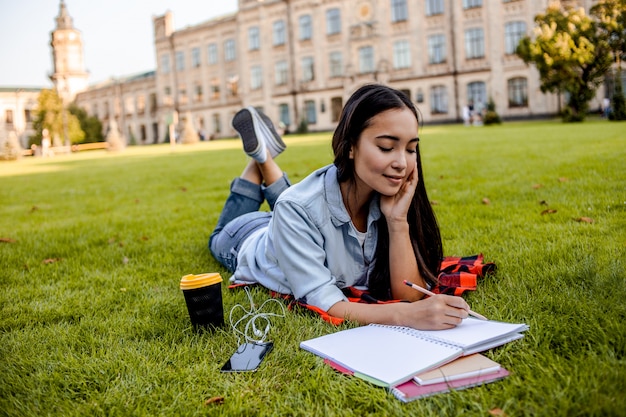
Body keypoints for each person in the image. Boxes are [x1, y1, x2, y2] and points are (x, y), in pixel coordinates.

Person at [209, 84, 470, 330]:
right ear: (350, 147)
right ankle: (262, 158)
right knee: (218, 236)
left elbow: (409, 294)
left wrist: (397, 221)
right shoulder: (295, 208)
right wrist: (404, 316)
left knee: (296, 203)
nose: (402, 162)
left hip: (294, 220)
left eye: (411, 149)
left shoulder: (389, 196)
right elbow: (326, 303)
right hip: (245, 238)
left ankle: (263, 155)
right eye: (387, 147)